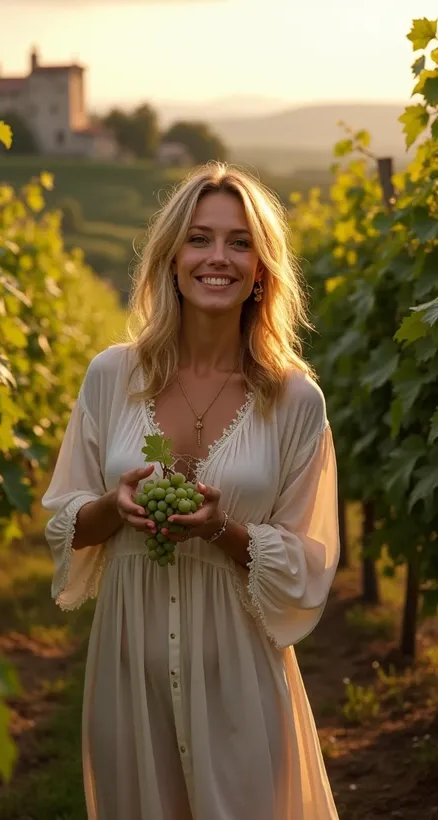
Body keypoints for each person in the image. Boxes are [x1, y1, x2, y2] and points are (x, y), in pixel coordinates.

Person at [41, 162, 340, 820]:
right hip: (127, 678)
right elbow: (64, 522)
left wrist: (222, 530)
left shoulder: (295, 401)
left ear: (261, 269)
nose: (218, 257)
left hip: (240, 678)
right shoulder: (110, 377)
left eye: (240, 243)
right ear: (171, 257)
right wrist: (112, 509)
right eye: (200, 238)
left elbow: (307, 561)